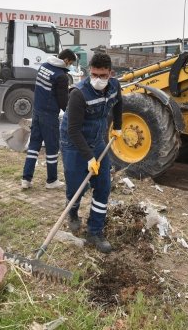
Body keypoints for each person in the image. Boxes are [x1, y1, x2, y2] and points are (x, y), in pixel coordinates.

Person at [60, 52, 123, 253]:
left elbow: (119, 103)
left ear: (110, 74)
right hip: (73, 141)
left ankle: (95, 231)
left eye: (102, 76)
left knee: (103, 186)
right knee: (76, 185)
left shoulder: (114, 86)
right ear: (89, 71)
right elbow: (73, 130)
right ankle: (73, 212)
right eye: (94, 75)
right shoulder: (78, 94)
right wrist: (89, 158)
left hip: (97, 139)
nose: (98, 79)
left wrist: (118, 126)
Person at [21, 49, 76, 190]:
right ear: (66, 60)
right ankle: (51, 180)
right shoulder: (61, 76)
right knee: (52, 148)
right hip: (49, 115)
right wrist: (72, 113)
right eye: (70, 63)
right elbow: (63, 102)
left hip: (37, 112)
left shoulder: (44, 66)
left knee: (34, 146)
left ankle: (26, 179)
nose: (69, 65)